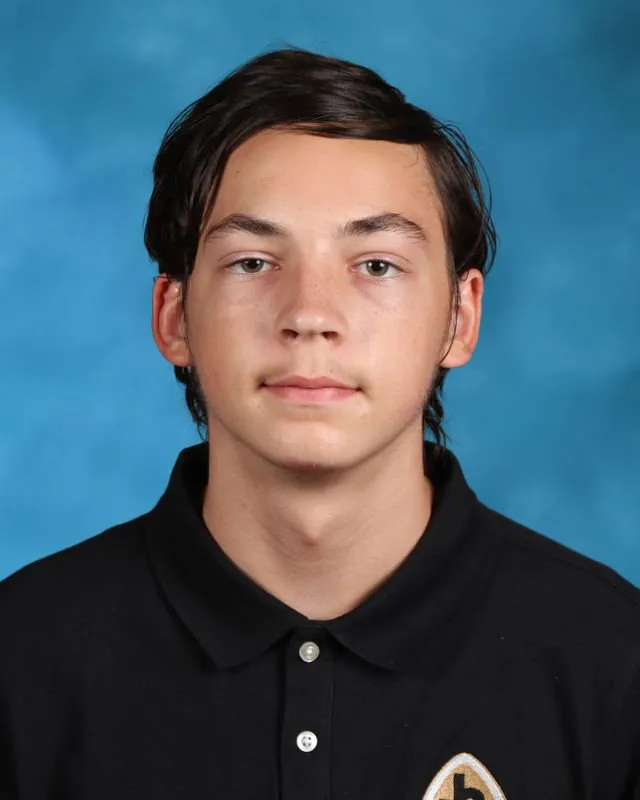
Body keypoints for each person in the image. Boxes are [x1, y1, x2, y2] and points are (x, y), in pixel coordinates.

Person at [1, 46, 639, 800]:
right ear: (173, 317)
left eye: (375, 265)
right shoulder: (21, 658)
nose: (309, 315)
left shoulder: (614, 658)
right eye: (252, 262)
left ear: (460, 318)